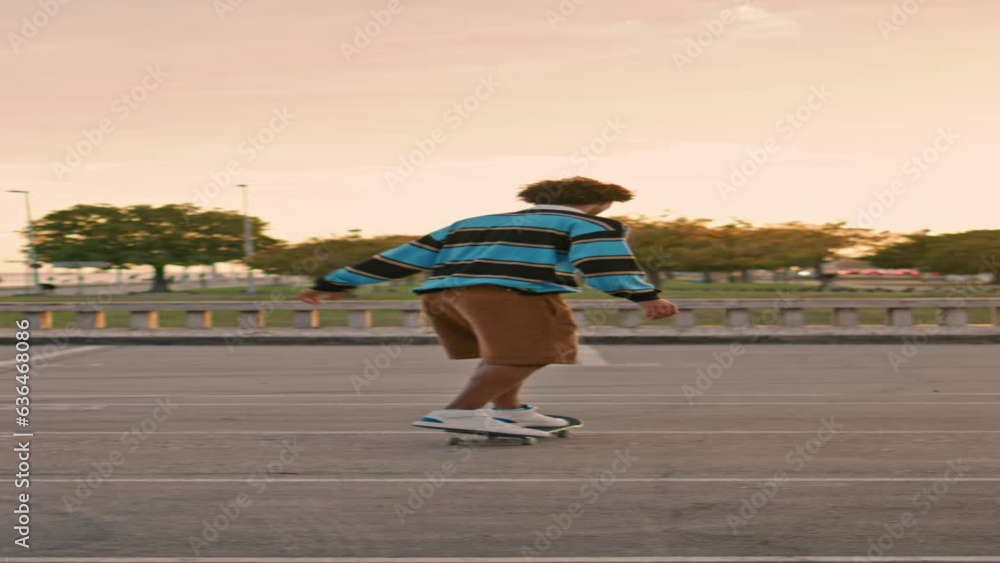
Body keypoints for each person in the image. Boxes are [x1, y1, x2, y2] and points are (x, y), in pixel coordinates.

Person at [299, 177, 678, 438]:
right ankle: (461, 411)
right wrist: (644, 296)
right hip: (508, 294)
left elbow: (406, 257)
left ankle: (509, 411)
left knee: (503, 353)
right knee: (540, 348)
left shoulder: (471, 222)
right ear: (600, 202)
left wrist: (335, 283)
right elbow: (603, 266)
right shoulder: (595, 224)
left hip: (443, 297)